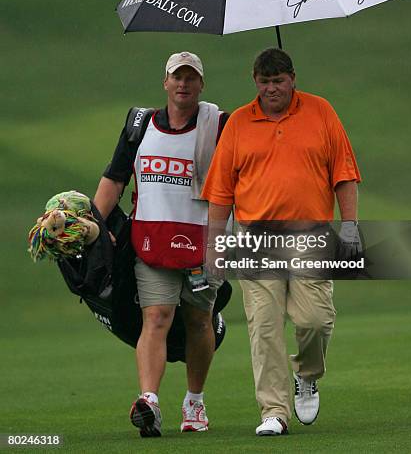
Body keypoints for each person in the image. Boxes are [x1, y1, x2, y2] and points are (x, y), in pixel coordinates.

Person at [201, 48, 361, 436]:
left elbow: (344, 171)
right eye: (265, 82)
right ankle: (273, 411)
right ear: (255, 81)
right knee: (265, 326)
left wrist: (351, 226)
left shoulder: (321, 111)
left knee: (314, 321)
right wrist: (214, 246)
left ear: (293, 79)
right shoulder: (239, 122)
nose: (272, 89)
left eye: (279, 81)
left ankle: (307, 374)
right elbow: (221, 192)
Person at [93, 51, 227, 438]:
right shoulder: (140, 126)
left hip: (204, 245)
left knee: (199, 320)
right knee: (156, 318)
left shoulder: (218, 125)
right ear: (165, 82)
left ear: (201, 84)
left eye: (191, 78)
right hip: (150, 243)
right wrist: (93, 228)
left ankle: (194, 402)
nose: (183, 84)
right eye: (176, 77)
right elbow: (115, 180)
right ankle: (148, 400)